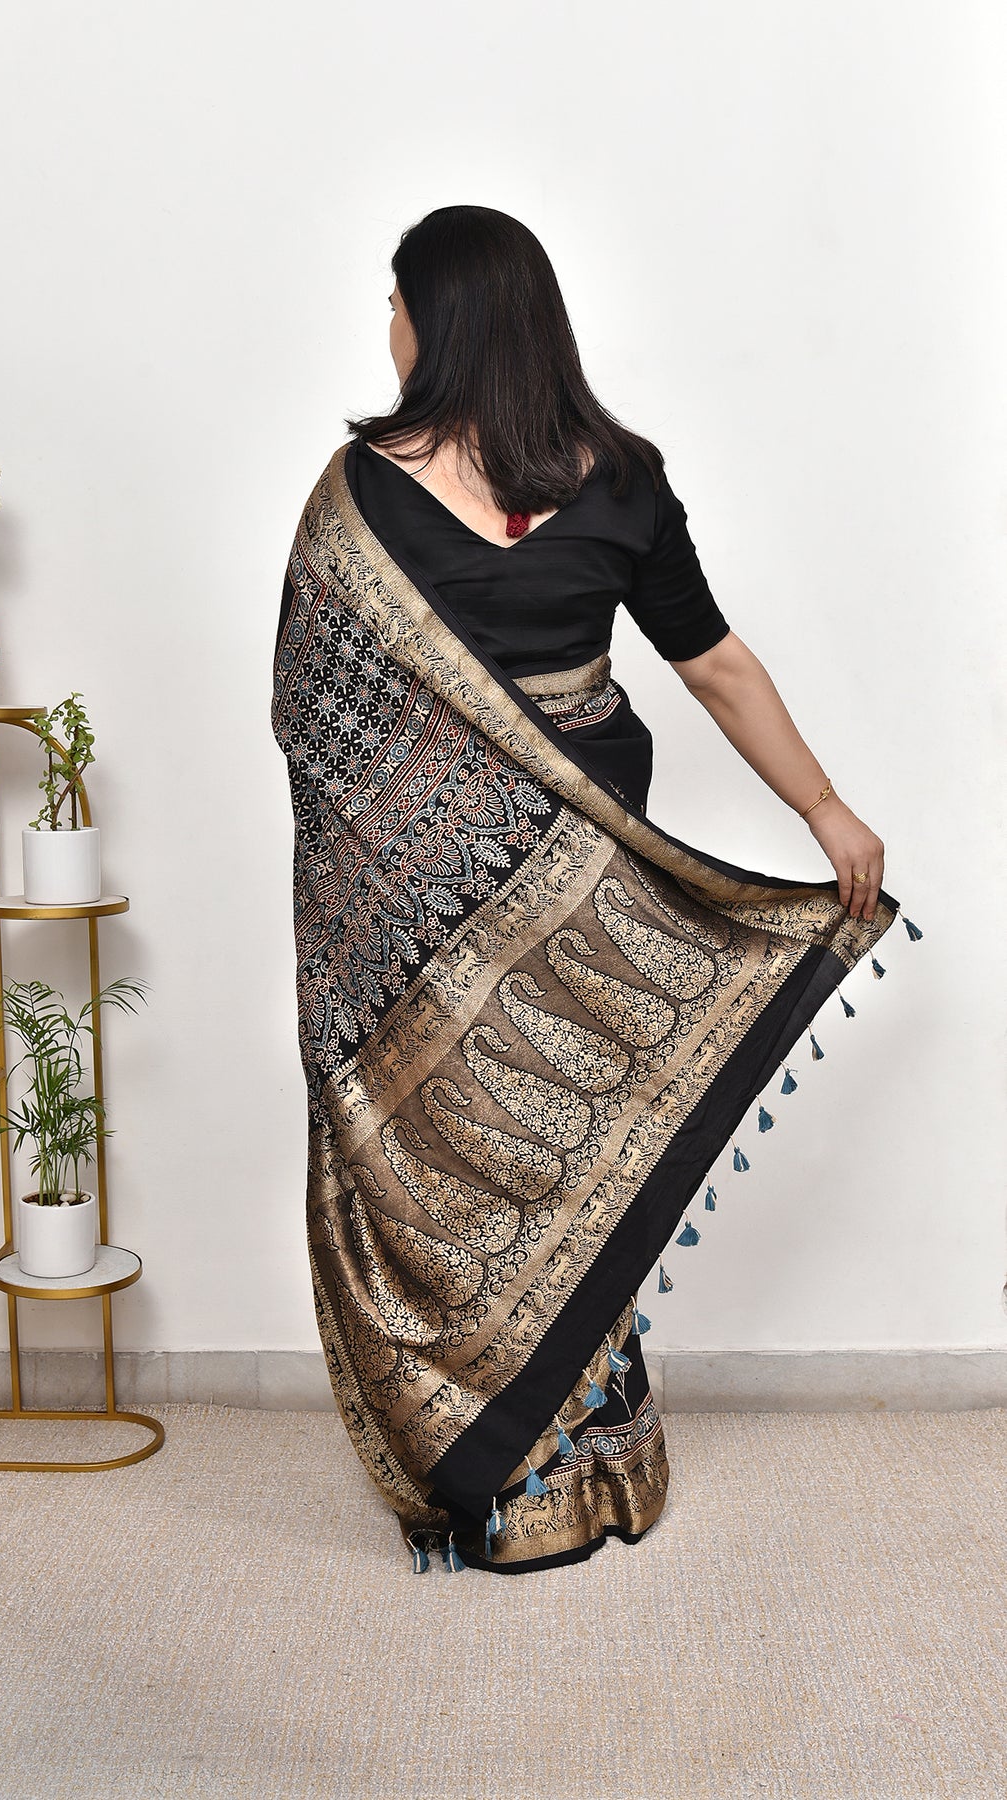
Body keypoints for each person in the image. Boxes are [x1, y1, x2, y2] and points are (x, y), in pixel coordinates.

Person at [271, 205, 910, 1574]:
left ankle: (561, 1470)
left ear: (447, 322)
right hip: (433, 915)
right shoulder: (377, 495)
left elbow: (711, 661)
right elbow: (319, 715)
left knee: (558, 1167)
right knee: (495, 1169)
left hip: (572, 896)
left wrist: (823, 807)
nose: (388, 328)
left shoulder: (596, 483)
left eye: (398, 302)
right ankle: (517, 1470)